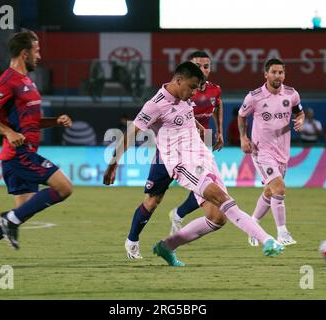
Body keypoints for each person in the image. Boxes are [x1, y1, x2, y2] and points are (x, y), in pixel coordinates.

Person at [103, 61, 284, 266]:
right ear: (179, 80)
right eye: (191, 87)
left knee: (217, 218)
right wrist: (112, 165)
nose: (193, 93)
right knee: (219, 197)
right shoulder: (155, 104)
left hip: (203, 157)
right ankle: (267, 240)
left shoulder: (184, 96)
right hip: (182, 164)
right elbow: (130, 133)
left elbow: (187, 117)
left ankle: (167, 246)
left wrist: (199, 128)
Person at [0, 30, 73, 269]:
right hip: (20, 154)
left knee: (24, 210)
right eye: (37, 50)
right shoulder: (7, 81)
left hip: (18, 155)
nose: (40, 56)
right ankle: (8, 220)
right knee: (64, 188)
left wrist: (54, 121)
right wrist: (8, 132)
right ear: (25, 53)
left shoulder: (27, 81)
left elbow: (30, 121)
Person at [238, 58, 305, 247]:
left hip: (283, 151)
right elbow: (242, 116)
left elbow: (299, 112)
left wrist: (301, 120)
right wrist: (243, 138)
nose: (278, 76)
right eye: (274, 72)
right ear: (265, 74)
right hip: (262, 151)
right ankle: (282, 233)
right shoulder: (255, 97)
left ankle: (252, 227)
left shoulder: (292, 94)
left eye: (281, 72)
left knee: (269, 191)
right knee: (279, 188)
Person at [168, 51, 224, 236]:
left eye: (206, 66)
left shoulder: (215, 89)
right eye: (198, 66)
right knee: (203, 184)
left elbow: (217, 106)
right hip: (181, 143)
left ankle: (178, 214)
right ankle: (177, 214)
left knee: (204, 184)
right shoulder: (184, 88)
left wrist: (220, 132)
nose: (202, 70)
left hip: (202, 142)